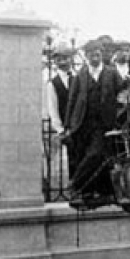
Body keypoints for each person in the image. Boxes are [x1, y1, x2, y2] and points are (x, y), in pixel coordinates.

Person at [62, 40, 126, 206]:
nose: (95, 57)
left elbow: (122, 92)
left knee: (96, 154)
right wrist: (68, 125)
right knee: (87, 155)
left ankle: (74, 184)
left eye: (97, 54)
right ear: (87, 57)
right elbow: (72, 100)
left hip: (104, 123)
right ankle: (89, 193)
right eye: (91, 55)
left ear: (101, 54)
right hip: (83, 123)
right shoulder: (80, 75)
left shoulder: (111, 73)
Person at [45, 42, 77, 181]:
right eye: (59, 59)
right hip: (68, 127)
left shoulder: (80, 77)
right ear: (55, 62)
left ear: (71, 58)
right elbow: (53, 108)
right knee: (73, 159)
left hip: (83, 125)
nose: (63, 61)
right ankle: (75, 190)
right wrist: (60, 130)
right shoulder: (53, 83)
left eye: (66, 57)